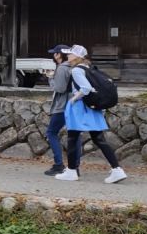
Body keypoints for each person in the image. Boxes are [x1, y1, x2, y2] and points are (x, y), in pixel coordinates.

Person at [56, 45, 128, 183]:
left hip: (80, 108)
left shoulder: (76, 70)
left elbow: (86, 88)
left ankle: (71, 171)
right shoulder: (87, 68)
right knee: (99, 139)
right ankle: (117, 169)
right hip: (92, 108)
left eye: (70, 54)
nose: (68, 56)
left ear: (77, 57)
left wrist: (74, 98)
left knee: (72, 138)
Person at [43, 45, 73, 176]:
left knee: (51, 133)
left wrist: (50, 78)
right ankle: (73, 167)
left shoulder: (62, 68)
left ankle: (58, 164)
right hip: (72, 105)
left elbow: (59, 89)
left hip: (62, 106)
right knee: (74, 135)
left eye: (54, 53)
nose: (53, 56)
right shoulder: (73, 66)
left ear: (58, 55)